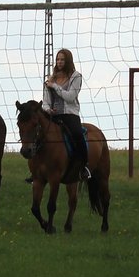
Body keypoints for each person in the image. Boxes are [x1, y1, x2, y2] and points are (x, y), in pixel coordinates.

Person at [42, 48, 91, 180]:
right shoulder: (51, 79)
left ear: (68, 60)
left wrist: (55, 87)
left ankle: (83, 167)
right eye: (58, 59)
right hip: (53, 115)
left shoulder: (76, 76)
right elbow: (45, 102)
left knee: (77, 134)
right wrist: (47, 110)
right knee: (39, 133)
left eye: (62, 59)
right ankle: (37, 169)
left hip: (69, 114)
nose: (59, 62)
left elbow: (70, 97)